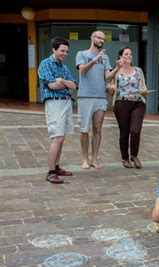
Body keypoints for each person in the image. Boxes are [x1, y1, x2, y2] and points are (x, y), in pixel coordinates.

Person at [76, 31, 121, 169]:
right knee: (84, 129)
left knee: (97, 129)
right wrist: (95, 60)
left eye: (103, 38)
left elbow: (107, 77)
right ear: (92, 37)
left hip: (100, 98)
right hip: (85, 97)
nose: (102, 40)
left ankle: (95, 159)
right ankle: (85, 159)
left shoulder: (105, 57)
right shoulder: (81, 54)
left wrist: (117, 68)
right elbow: (82, 70)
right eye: (99, 37)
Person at [38, 37, 77, 184]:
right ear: (54, 49)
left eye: (67, 51)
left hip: (66, 103)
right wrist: (61, 83)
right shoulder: (45, 64)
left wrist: (62, 81)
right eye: (62, 50)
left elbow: (74, 85)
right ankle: (50, 172)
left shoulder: (64, 67)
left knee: (62, 138)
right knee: (58, 137)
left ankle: (57, 167)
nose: (65, 53)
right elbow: (52, 86)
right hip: (54, 104)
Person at [107, 47, 147, 169]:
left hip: (137, 103)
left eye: (130, 54)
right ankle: (125, 158)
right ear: (120, 56)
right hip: (121, 103)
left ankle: (134, 155)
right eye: (126, 54)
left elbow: (143, 86)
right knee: (124, 132)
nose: (129, 56)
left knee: (135, 130)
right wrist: (111, 89)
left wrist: (144, 91)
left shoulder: (138, 70)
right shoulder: (116, 71)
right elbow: (108, 84)